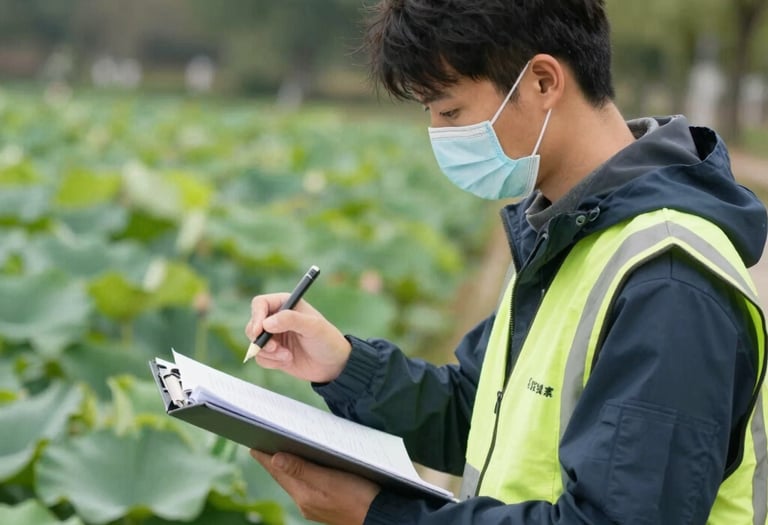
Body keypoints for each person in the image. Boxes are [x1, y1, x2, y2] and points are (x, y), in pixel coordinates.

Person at [245, 1, 768, 523]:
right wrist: (342, 365)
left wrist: (382, 515)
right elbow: (483, 414)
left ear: (543, 82)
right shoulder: (569, 226)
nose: (441, 136)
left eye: (450, 111)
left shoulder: (669, 281)